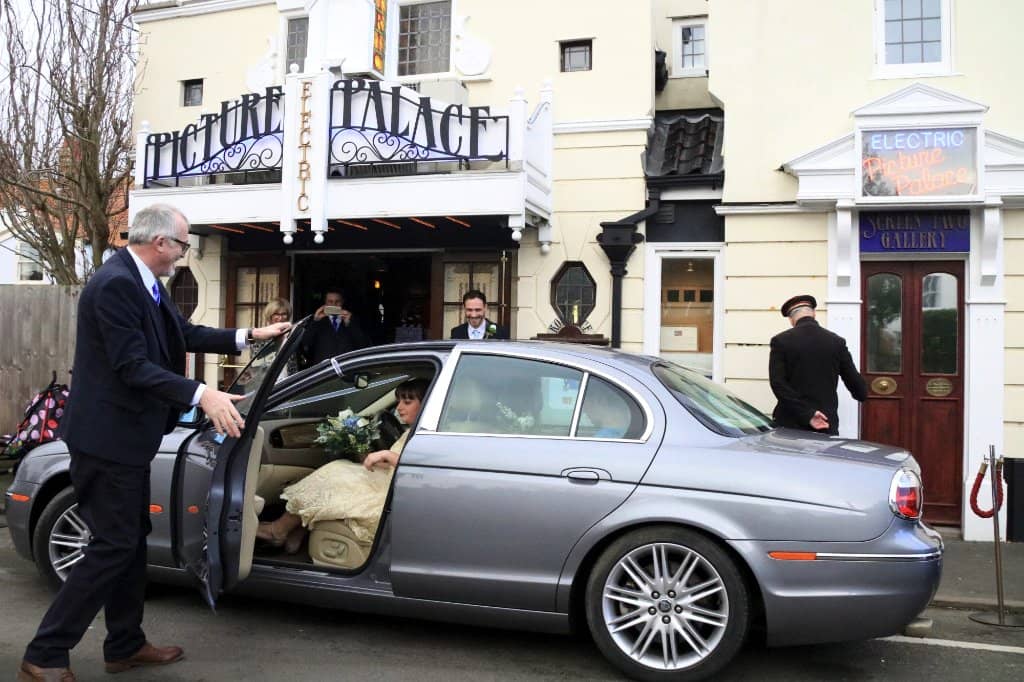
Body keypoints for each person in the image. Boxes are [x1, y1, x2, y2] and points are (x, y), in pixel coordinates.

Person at [19, 204, 290, 682]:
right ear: (161, 242)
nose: (185, 252)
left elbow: (181, 334)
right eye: (183, 244)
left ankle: (124, 644)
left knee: (130, 542)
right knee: (112, 545)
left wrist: (251, 335)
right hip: (106, 441)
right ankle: (45, 652)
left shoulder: (144, 281)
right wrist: (202, 394)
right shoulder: (115, 284)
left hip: (130, 439)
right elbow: (133, 366)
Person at [255, 378, 429, 553]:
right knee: (339, 468)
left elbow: (418, 467)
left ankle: (278, 531)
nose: (399, 408)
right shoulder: (413, 430)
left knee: (333, 476)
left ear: (425, 404)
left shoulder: (428, 434)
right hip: (387, 483)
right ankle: (296, 532)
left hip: (390, 493)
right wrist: (370, 457)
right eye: (398, 401)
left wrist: (385, 454)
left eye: (407, 402)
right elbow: (396, 464)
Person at [768, 294, 868, 435]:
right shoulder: (836, 342)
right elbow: (857, 386)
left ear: (791, 319)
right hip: (825, 422)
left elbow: (778, 384)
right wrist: (861, 393)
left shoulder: (781, 341)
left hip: (791, 422)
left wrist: (808, 414)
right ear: (814, 313)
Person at [299, 288, 370, 368]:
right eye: (330, 302)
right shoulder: (318, 321)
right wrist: (315, 321)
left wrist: (350, 324)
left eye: (337, 301)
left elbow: (363, 345)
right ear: (325, 303)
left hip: (346, 369)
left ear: (342, 302)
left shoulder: (351, 319)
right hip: (323, 370)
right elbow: (306, 343)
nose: (334, 305)